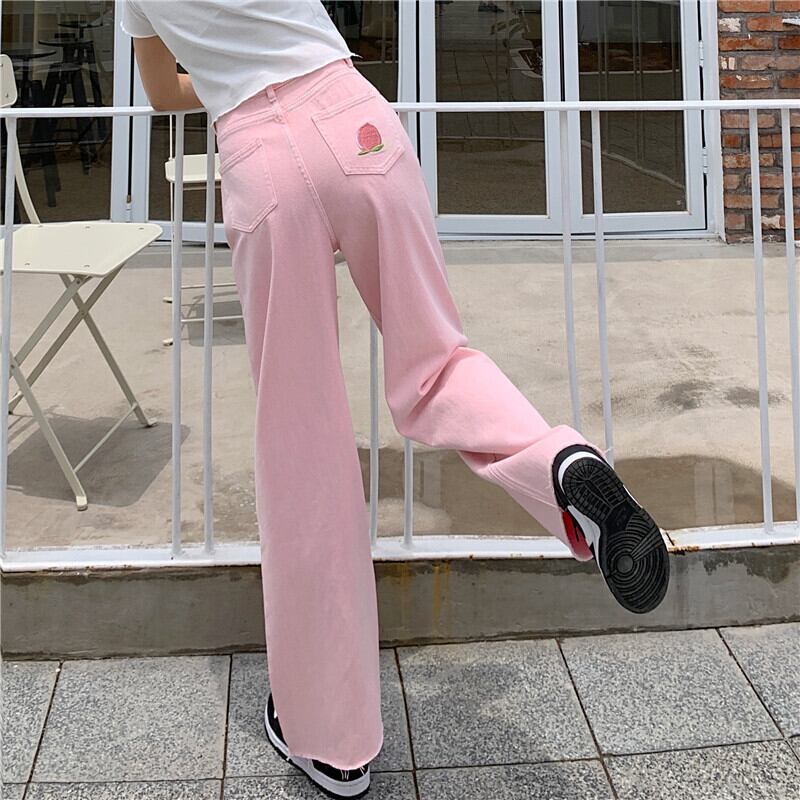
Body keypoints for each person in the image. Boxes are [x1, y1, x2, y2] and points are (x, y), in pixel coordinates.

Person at [120, 2, 670, 797]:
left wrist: (226, 57)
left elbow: (163, 94)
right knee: (437, 359)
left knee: (301, 442)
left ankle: (333, 742)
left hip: (258, 157)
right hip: (350, 118)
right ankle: (558, 460)